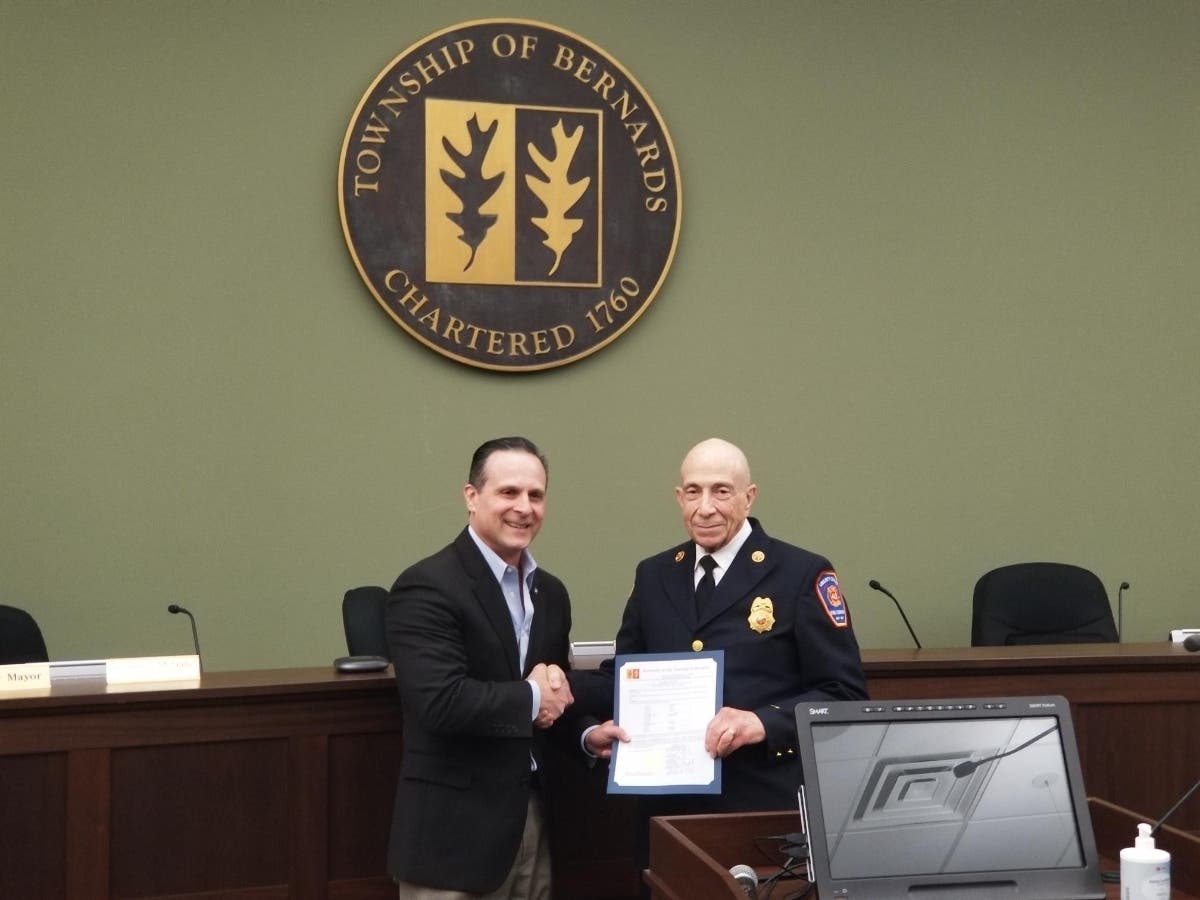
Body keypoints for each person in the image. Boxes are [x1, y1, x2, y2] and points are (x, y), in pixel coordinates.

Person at [579, 437, 869, 870]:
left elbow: (844, 695)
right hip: (667, 814)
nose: (706, 507)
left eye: (721, 491)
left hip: (760, 810)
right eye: (693, 491)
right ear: (679, 498)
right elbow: (624, 676)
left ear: (749, 497)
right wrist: (582, 721)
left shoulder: (801, 573)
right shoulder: (654, 574)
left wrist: (760, 721)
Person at [385, 436, 582, 900]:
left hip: (531, 822)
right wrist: (534, 696)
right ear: (472, 498)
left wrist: (587, 736)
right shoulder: (427, 586)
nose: (524, 507)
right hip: (452, 841)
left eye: (536, 495)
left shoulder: (550, 593)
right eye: (508, 492)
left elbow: (555, 700)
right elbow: (441, 702)